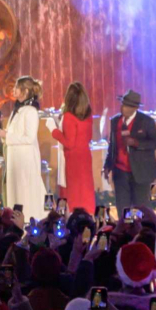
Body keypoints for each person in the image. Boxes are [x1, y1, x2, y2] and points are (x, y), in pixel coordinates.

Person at [0, 79, 48, 224]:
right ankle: (16, 222)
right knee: (16, 192)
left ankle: (30, 221)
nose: (13, 90)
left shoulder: (31, 111)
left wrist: (7, 136)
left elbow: (29, 137)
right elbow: (15, 133)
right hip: (15, 160)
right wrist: (4, 134)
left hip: (25, 161)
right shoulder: (18, 110)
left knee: (26, 192)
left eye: (17, 87)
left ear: (25, 91)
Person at [108, 89, 156, 211]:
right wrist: (107, 166)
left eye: (127, 106)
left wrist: (136, 143)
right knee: (124, 208)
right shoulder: (115, 121)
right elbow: (112, 146)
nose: (123, 108)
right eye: (123, 104)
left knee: (141, 208)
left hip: (141, 172)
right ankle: (125, 229)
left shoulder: (146, 122)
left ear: (135, 108)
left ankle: (142, 229)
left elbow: (155, 143)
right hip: (120, 173)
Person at [58, 82, 97, 215]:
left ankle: (73, 216)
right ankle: (88, 214)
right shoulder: (88, 116)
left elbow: (69, 143)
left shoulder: (69, 117)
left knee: (74, 191)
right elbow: (88, 137)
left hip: (72, 159)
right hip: (85, 157)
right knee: (85, 188)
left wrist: (54, 131)